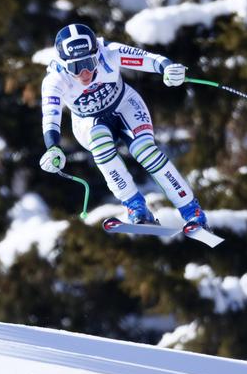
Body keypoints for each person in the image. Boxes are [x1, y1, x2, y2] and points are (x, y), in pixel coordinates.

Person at [39, 23, 207, 228]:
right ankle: (135, 205)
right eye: (75, 66)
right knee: (99, 142)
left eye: (89, 63)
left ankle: (192, 210)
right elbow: (51, 115)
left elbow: (148, 58)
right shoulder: (55, 79)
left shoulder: (108, 52)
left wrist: (168, 68)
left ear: (97, 54)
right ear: (64, 64)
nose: (84, 72)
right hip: (88, 121)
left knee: (145, 151)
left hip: (124, 105)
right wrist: (53, 146)